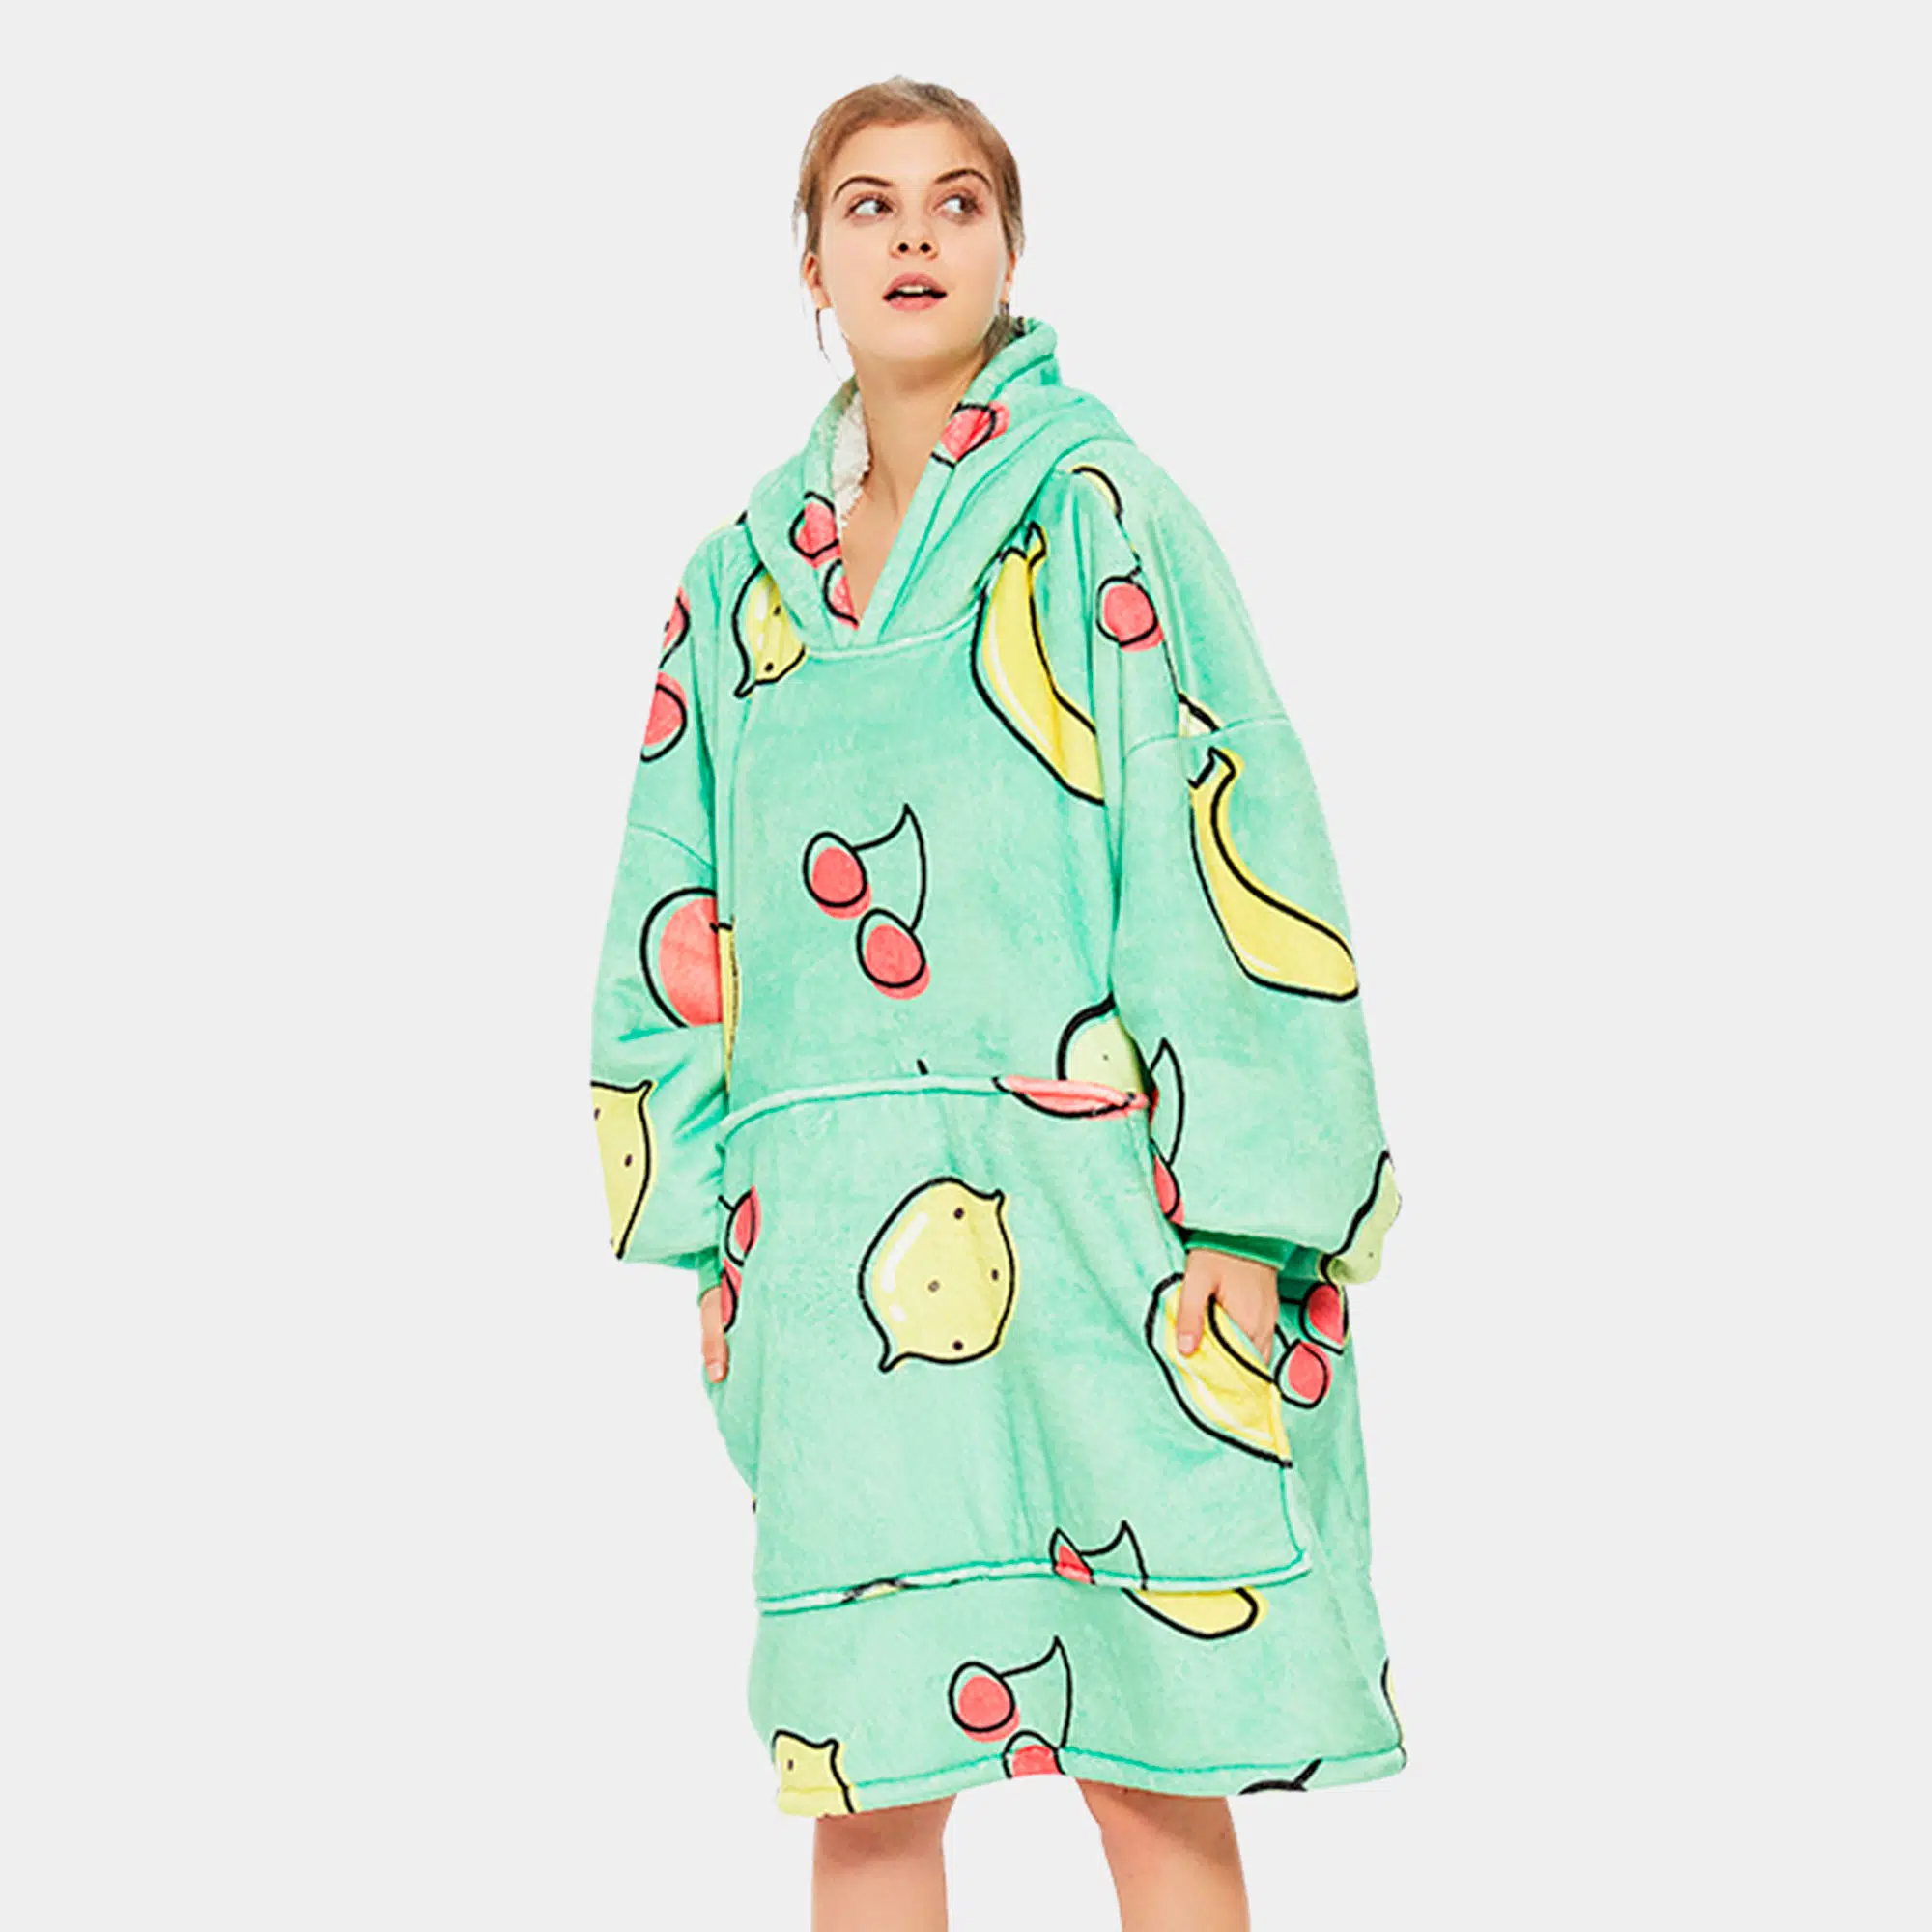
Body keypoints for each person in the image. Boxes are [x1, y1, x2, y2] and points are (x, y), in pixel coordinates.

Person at [589, 75, 1406, 1931]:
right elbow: (670, 914)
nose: (913, 236)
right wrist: (713, 1220)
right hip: (837, 1258)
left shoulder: (1103, 511)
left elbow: (1229, 836)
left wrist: (1250, 1213)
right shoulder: (734, 592)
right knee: (871, 1776)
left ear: (1009, 252)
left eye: (956, 203)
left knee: (1151, 1750)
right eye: (868, 206)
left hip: (1103, 1224)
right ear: (811, 266)